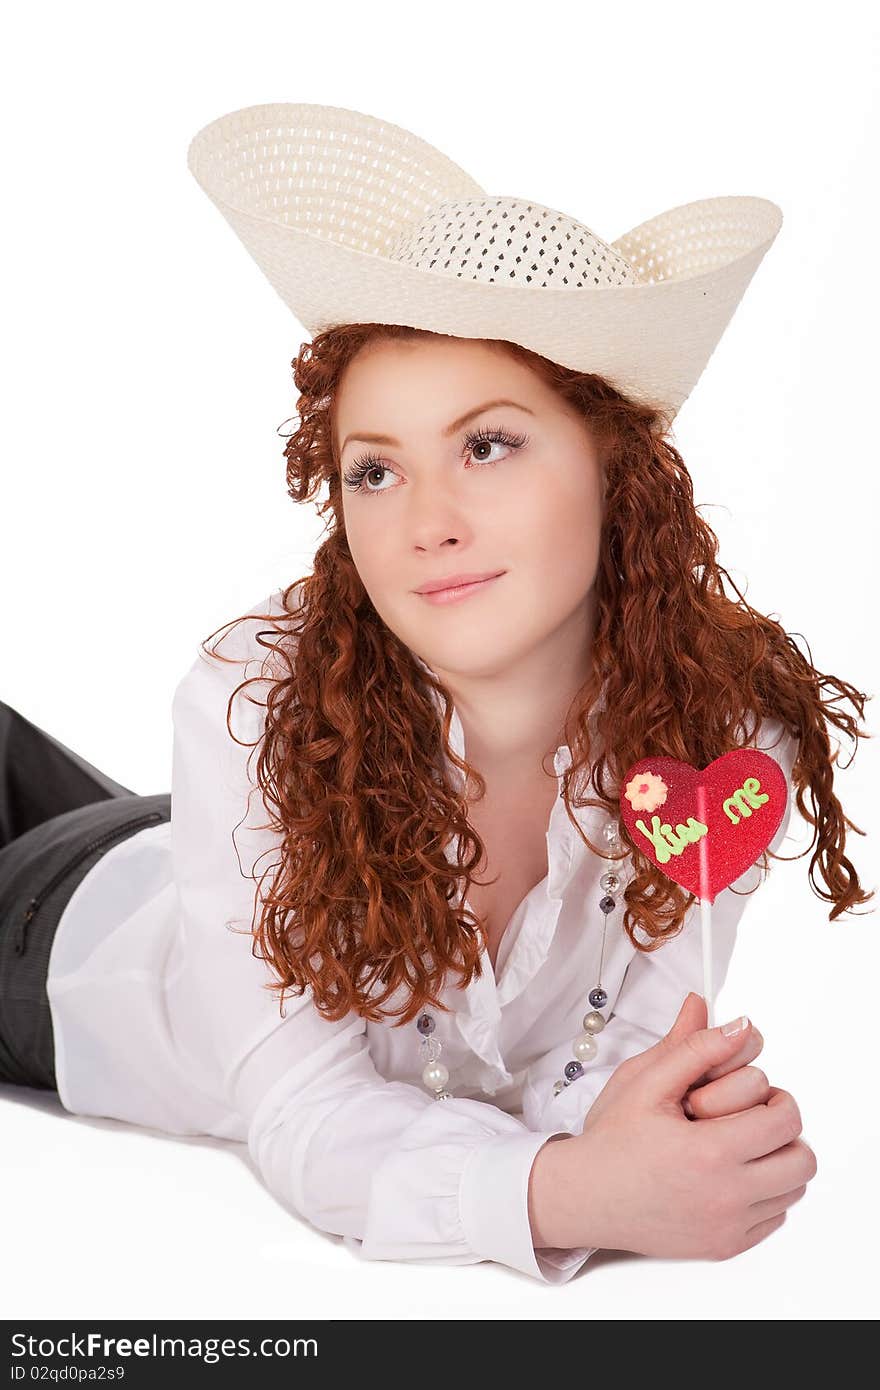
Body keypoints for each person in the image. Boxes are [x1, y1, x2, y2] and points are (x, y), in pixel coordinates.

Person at [0, 102, 870, 1283]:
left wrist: (662, 1147)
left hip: (178, 846)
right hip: (60, 942)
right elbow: (305, 1115)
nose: (426, 524)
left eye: (488, 444)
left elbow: (631, 1069)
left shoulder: (721, 734)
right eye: (375, 468)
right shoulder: (255, 699)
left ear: (619, 467)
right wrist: (571, 1188)